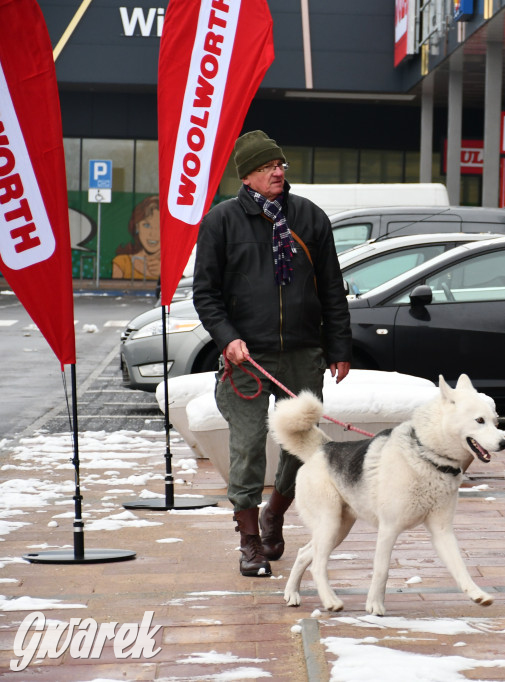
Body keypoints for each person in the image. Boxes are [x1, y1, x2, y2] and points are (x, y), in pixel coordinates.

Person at [193, 130, 352, 577]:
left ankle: (274, 514)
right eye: (266, 167)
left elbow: (332, 290)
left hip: (303, 353)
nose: (277, 172)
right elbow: (205, 294)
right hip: (247, 358)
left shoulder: (310, 217)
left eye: (279, 164)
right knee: (246, 449)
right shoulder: (221, 222)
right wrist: (228, 338)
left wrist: (339, 346)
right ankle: (249, 541)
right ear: (247, 176)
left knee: (300, 448)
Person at [112, 195, 161, 279]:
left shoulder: (179, 265)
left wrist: (166, 272)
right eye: (147, 225)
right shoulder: (122, 263)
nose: (153, 234)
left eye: (160, 226)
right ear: (137, 227)